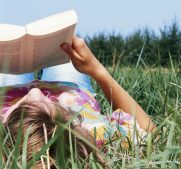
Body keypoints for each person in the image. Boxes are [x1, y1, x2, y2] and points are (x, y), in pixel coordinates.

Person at [0, 35, 155, 168]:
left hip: (6, 90)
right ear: (72, 120)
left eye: (23, 107)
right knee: (65, 49)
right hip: (68, 89)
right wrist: (96, 70)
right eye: (52, 104)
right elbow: (150, 133)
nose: (35, 91)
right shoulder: (93, 134)